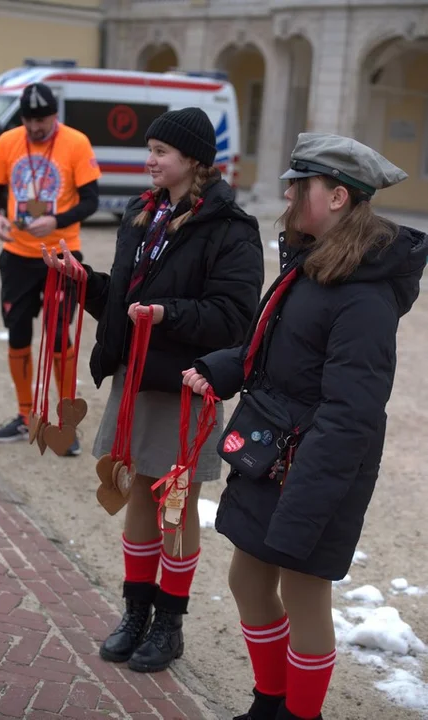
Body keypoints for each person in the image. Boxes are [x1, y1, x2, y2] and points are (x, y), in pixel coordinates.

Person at [183, 133, 428, 720]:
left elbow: (351, 415)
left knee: (303, 589)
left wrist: (304, 505)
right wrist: (221, 369)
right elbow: (274, 344)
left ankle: (301, 714)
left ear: (338, 196)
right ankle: (270, 702)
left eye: (301, 185)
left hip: (316, 466)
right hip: (274, 451)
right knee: (248, 578)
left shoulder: (363, 297)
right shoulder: (311, 262)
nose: (288, 193)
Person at [43, 106, 264, 672]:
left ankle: (170, 622)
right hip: (136, 376)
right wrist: (86, 282)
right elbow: (126, 296)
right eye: (151, 149)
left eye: (162, 152)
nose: (151, 160)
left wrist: (169, 316)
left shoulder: (231, 229)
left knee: (175, 502)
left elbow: (237, 318)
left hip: (185, 383)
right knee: (140, 492)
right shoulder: (143, 215)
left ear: (193, 160)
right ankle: (135, 612)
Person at [0, 82, 101, 454]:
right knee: (18, 331)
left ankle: (65, 426)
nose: (36, 128)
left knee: (57, 334)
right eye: (30, 121)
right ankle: (23, 416)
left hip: (61, 255)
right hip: (17, 254)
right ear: (22, 118)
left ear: (55, 115)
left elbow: (92, 201)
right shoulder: (8, 142)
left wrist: (57, 220)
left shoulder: (76, 143)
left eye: (43, 120)